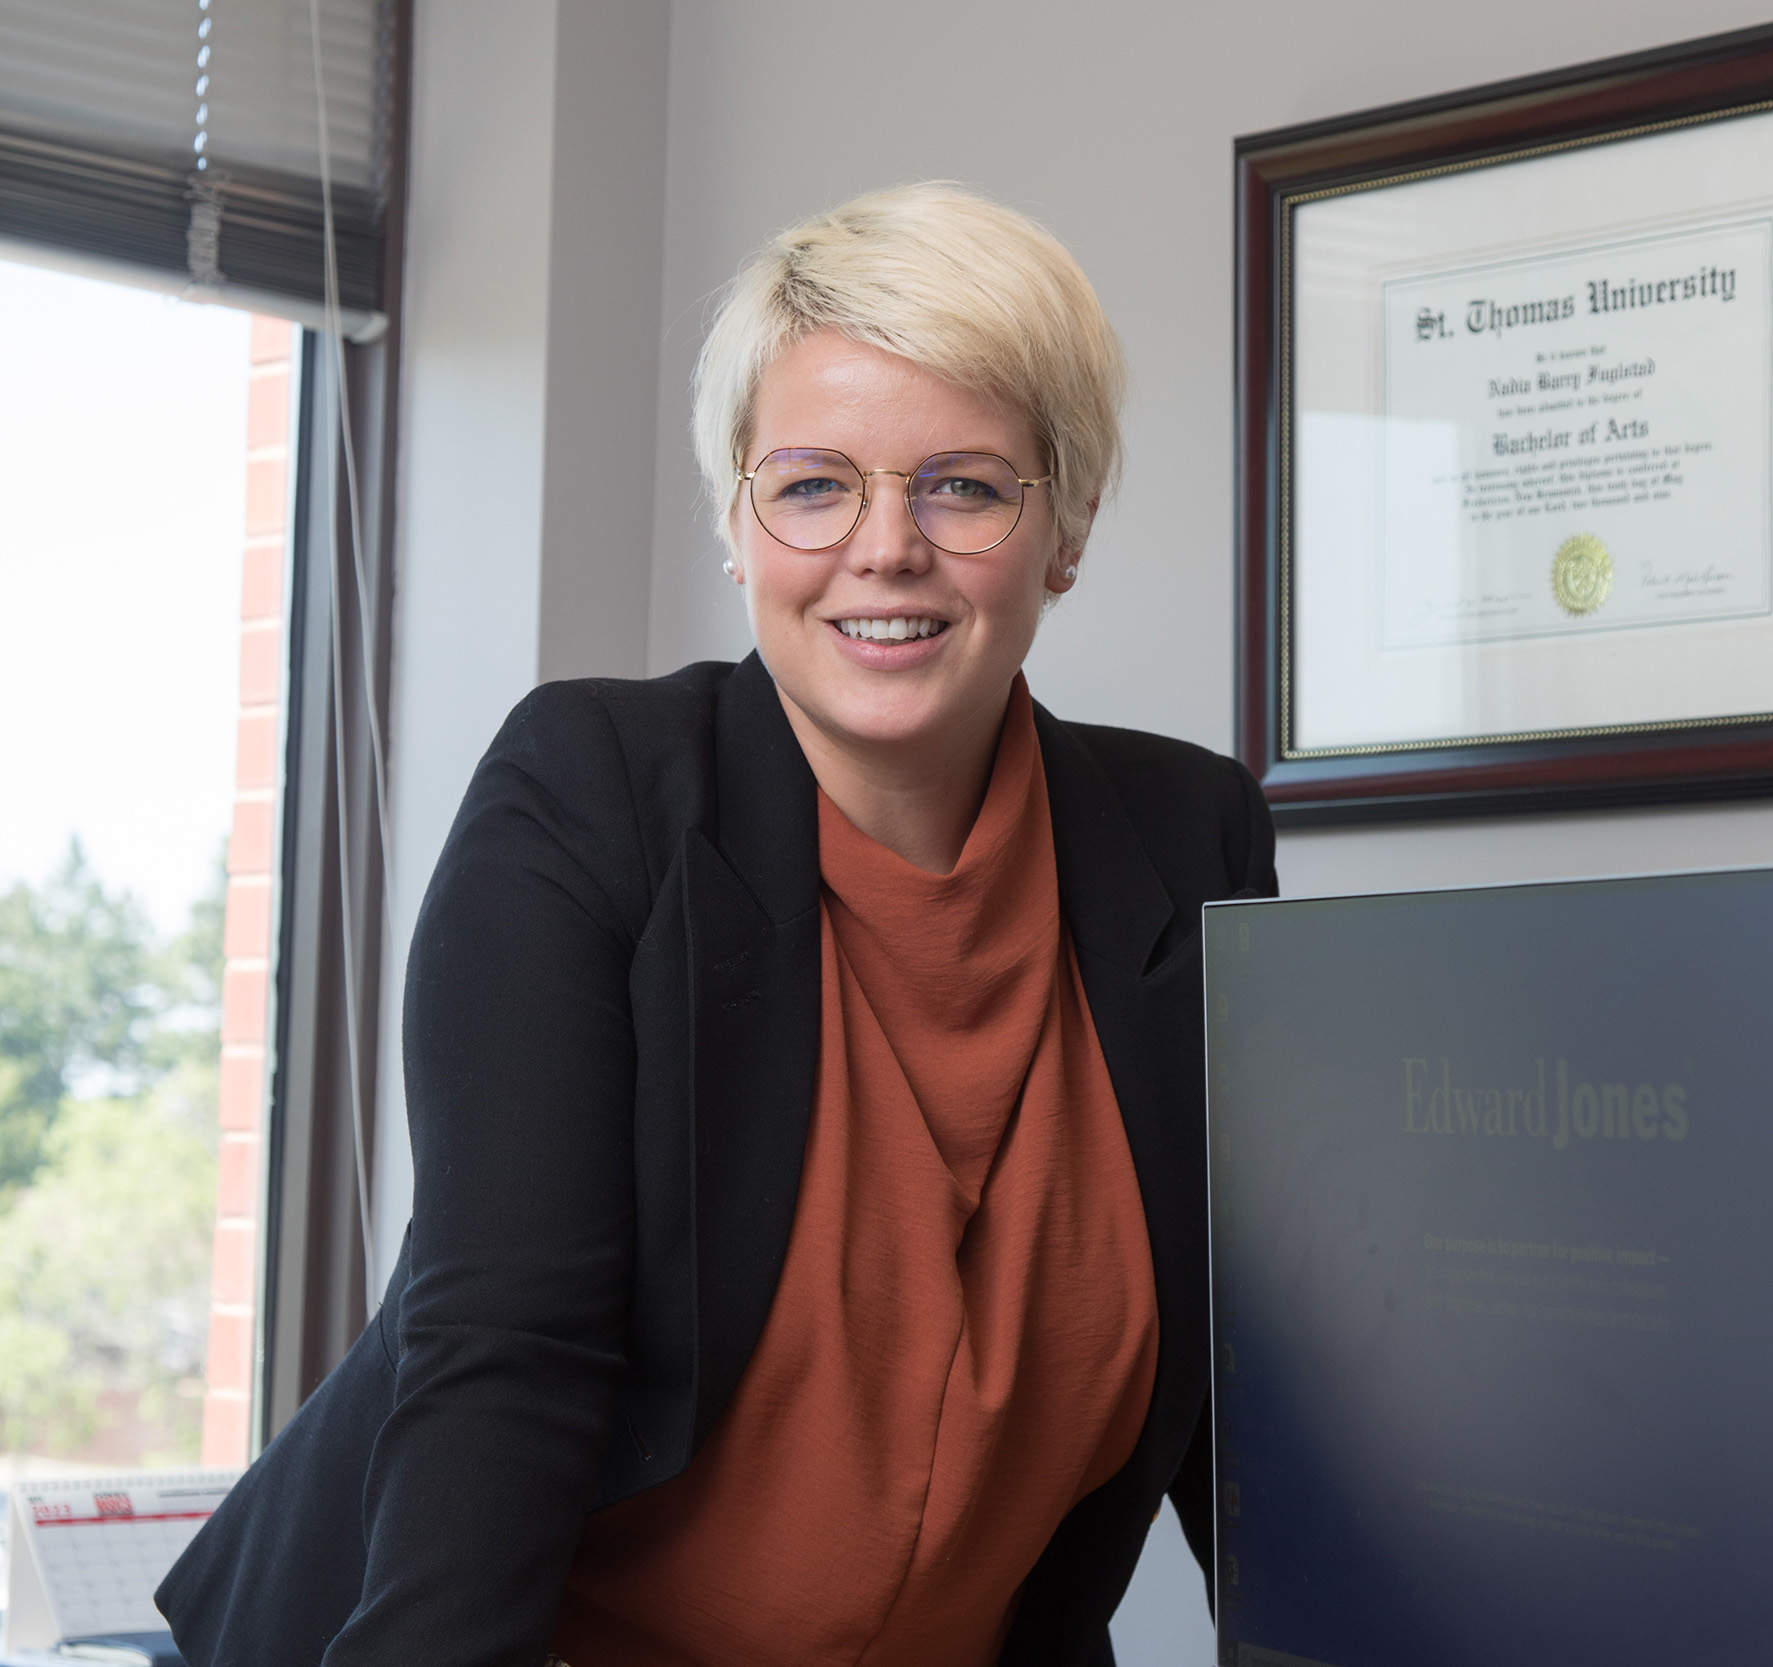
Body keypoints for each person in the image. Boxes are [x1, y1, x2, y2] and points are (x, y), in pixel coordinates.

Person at [159, 181, 1277, 1667]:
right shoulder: (592, 796)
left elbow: (1249, 1390)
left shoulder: (1183, 835)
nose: (885, 547)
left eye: (963, 484)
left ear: (1062, 528)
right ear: (739, 530)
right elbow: (508, 1351)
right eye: (813, 485)